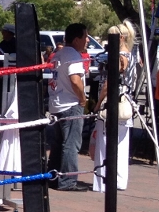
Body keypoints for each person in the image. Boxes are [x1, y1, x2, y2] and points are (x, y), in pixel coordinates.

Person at [91, 21, 138, 192]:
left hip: (111, 103)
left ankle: (103, 181)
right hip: (126, 102)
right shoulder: (132, 55)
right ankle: (119, 180)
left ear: (121, 38)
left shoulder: (118, 57)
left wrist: (97, 104)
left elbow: (109, 83)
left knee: (104, 145)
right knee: (121, 145)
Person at [47, 23, 89, 191]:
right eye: (85, 37)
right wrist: (83, 99)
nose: (87, 40)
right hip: (70, 104)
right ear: (77, 39)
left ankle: (53, 177)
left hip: (57, 104)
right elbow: (75, 80)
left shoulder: (59, 54)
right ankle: (68, 181)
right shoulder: (73, 55)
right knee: (71, 144)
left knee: (58, 144)